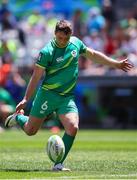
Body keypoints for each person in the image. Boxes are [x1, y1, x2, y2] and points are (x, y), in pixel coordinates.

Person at [5, 20, 133, 171]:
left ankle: (58, 164)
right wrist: (26, 99)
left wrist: (115, 64)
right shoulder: (47, 52)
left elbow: (93, 54)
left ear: (71, 35)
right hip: (47, 95)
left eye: (66, 38)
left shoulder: (75, 43)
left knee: (73, 127)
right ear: (55, 34)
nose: (63, 42)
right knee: (30, 131)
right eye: (60, 38)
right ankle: (18, 118)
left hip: (66, 97)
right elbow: (35, 77)